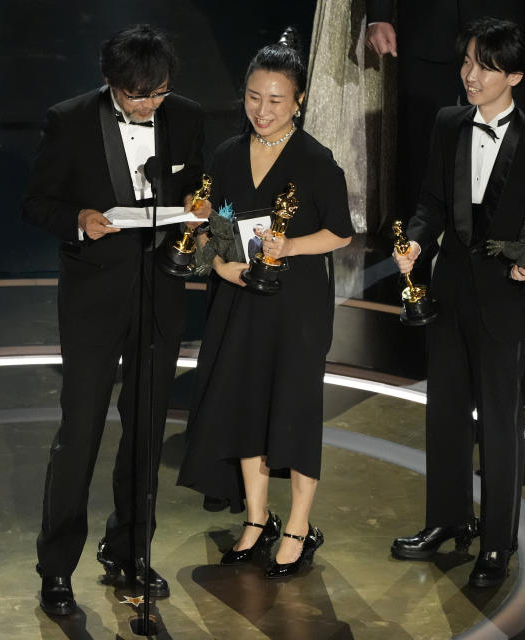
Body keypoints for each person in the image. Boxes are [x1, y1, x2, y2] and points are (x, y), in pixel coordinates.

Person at [21, 24, 207, 616]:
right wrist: (80, 217)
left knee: (147, 430)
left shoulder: (187, 116)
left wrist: (199, 211)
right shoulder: (69, 119)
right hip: (93, 300)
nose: (150, 104)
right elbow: (37, 202)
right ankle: (55, 572)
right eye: (136, 96)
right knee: (80, 435)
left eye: (157, 93)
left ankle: (129, 552)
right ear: (110, 84)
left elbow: (199, 186)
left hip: (162, 296)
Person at [389, 17, 525, 587]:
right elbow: (430, 202)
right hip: (448, 291)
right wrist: (418, 239)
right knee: (444, 413)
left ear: (515, 76)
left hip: (505, 300)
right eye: (467, 62)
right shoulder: (447, 124)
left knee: (499, 423)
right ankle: (447, 520)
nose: (469, 75)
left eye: (484, 67)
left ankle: (497, 543)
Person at [177, 40, 354, 579]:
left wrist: (292, 247)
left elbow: (341, 233)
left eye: (276, 100)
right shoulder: (228, 154)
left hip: (296, 306)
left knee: (294, 412)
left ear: (297, 101)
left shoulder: (316, 160)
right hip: (237, 299)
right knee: (245, 405)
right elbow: (214, 225)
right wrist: (219, 263)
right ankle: (257, 518)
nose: (262, 109)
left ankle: (298, 524)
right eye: (254, 97)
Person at [365, 0, 525, 231]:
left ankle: (501, 250)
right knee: (417, 154)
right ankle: (412, 257)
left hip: (505, 25)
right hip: (425, 23)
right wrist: (379, 15)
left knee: (506, 150)